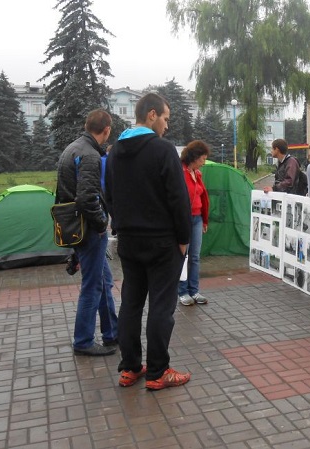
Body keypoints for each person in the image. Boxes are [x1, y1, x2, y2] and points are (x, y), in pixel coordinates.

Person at [104, 92, 192, 390]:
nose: (166, 126)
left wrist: (122, 225)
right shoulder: (162, 150)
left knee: (130, 303)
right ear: (152, 115)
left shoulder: (115, 151)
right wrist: (183, 239)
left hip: (129, 240)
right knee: (161, 307)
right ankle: (158, 371)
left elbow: (109, 195)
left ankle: (130, 367)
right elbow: (178, 198)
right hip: (161, 242)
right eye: (165, 118)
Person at [56, 108, 118, 357]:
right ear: (107, 130)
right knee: (92, 286)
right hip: (90, 230)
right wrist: (102, 225)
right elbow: (86, 198)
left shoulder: (71, 149)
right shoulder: (91, 155)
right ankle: (83, 340)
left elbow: (64, 193)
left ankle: (112, 333)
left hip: (76, 227)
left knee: (104, 281)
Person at [178, 140, 210, 307]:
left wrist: (204, 220)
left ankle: (194, 290)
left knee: (195, 257)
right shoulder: (179, 172)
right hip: (183, 220)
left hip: (197, 218)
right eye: (202, 159)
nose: (204, 162)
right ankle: (182, 291)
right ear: (195, 156)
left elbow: (202, 197)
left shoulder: (197, 174)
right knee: (183, 256)